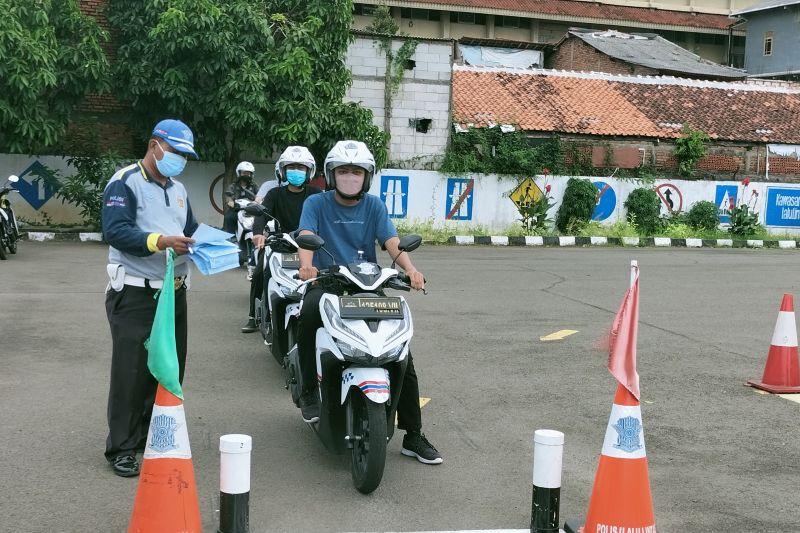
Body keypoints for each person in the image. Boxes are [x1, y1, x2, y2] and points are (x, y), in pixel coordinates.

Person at [295, 140, 442, 465]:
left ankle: (413, 435)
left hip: (367, 287)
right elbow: (306, 235)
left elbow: (392, 242)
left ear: (367, 176)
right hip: (327, 284)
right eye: (343, 171)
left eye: (356, 171)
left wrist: (411, 270)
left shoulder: (374, 206)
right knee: (308, 314)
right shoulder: (316, 203)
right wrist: (307, 266)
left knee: (400, 352)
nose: (349, 177)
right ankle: (308, 391)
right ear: (331, 175)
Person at [101, 118, 199, 477]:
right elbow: (115, 231)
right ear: (154, 145)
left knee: (168, 368)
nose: (180, 160)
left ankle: (149, 434)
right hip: (135, 291)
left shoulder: (179, 189)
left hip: (173, 292)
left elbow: (190, 229)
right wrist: (160, 241)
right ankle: (122, 447)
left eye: (185, 156)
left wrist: (211, 244)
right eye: (175, 152)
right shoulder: (125, 181)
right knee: (132, 372)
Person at [242, 146, 322, 333]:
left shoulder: (316, 195)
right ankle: (254, 316)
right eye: (291, 167)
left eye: (300, 167)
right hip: (280, 244)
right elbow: (261, 215)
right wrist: (258, 233)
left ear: (309, 171)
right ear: (283, 171)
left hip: (310, 245)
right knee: (260, 273)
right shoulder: (275, 194)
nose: (296, 171)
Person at [222, 161, 258, 233]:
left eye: (248, 173)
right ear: (239, 173)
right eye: (244, 173)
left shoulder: (254, 186)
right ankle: (232, 236)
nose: (246, 175)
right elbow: (228, 196)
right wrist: (231, 203)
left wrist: (258, 201)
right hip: (237, 209)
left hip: (251, 210)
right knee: (229, 217)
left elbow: (259, 196)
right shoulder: (233, 186)